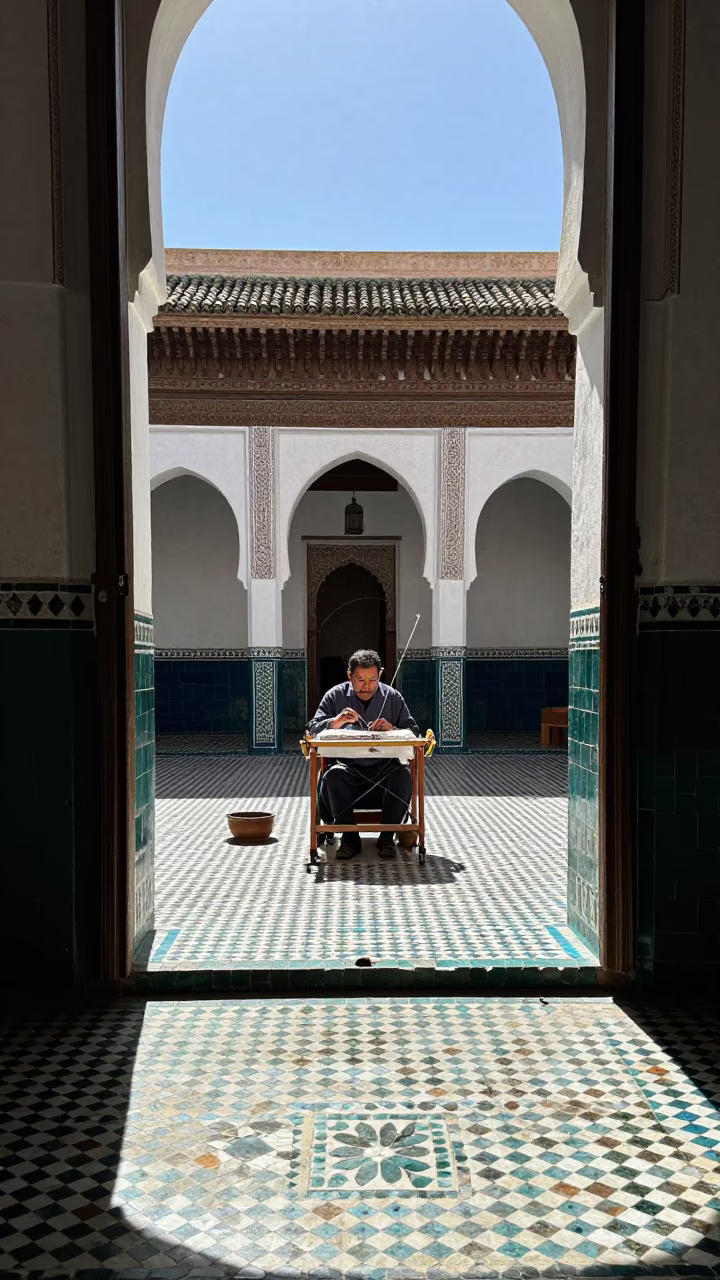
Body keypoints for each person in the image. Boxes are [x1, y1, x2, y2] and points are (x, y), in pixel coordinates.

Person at [306, 648, 419, 859]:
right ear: (349, 676)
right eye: (360, 680)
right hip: (348, 770)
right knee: (333, 774)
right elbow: (312, 729)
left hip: (384, 771)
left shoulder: (392, 697)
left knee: (402, 774)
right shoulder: (335, 695)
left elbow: (413, 732)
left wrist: (392, 729)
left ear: (380, 674)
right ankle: (350, 839)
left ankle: (386, 838)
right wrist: (335, 722)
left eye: (373, 680)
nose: (366, 686)